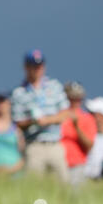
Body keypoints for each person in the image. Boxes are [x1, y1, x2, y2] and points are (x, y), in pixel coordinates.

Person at [11, 49, 70, 182]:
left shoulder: (54, 86)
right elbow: (17, 122)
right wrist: (34, 121)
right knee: (34, 186)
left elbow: (66, 113)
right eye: (34, 66)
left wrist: (47, 120)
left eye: (40, 65)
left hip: (55, 143)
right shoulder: (19, 92)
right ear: (26, 67)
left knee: (63, 184)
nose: (38, 69)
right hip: (34, 145)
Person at [60, 82, 97, 185]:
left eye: (77, 98)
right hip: (57, 164)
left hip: (77, 165)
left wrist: (76, 126)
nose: (74, 101)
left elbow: (89, 145)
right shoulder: (58, 115)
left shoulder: (88, 119)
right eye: (71, 98)